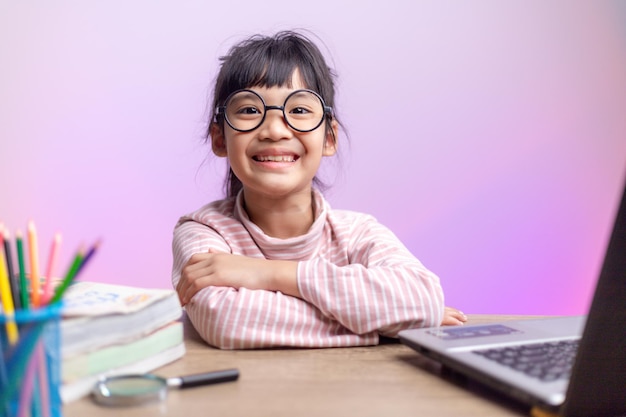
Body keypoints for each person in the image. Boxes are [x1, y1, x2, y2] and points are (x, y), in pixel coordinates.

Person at [172, 30, 466, 350]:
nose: (274, 130)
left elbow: (422, 298)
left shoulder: (357, 232)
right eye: (249, 110)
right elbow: (227, 321)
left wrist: (265, 273)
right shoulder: (203, 231)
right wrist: (382, 326)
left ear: (329, 138)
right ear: (219, 138)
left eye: (298, 110)